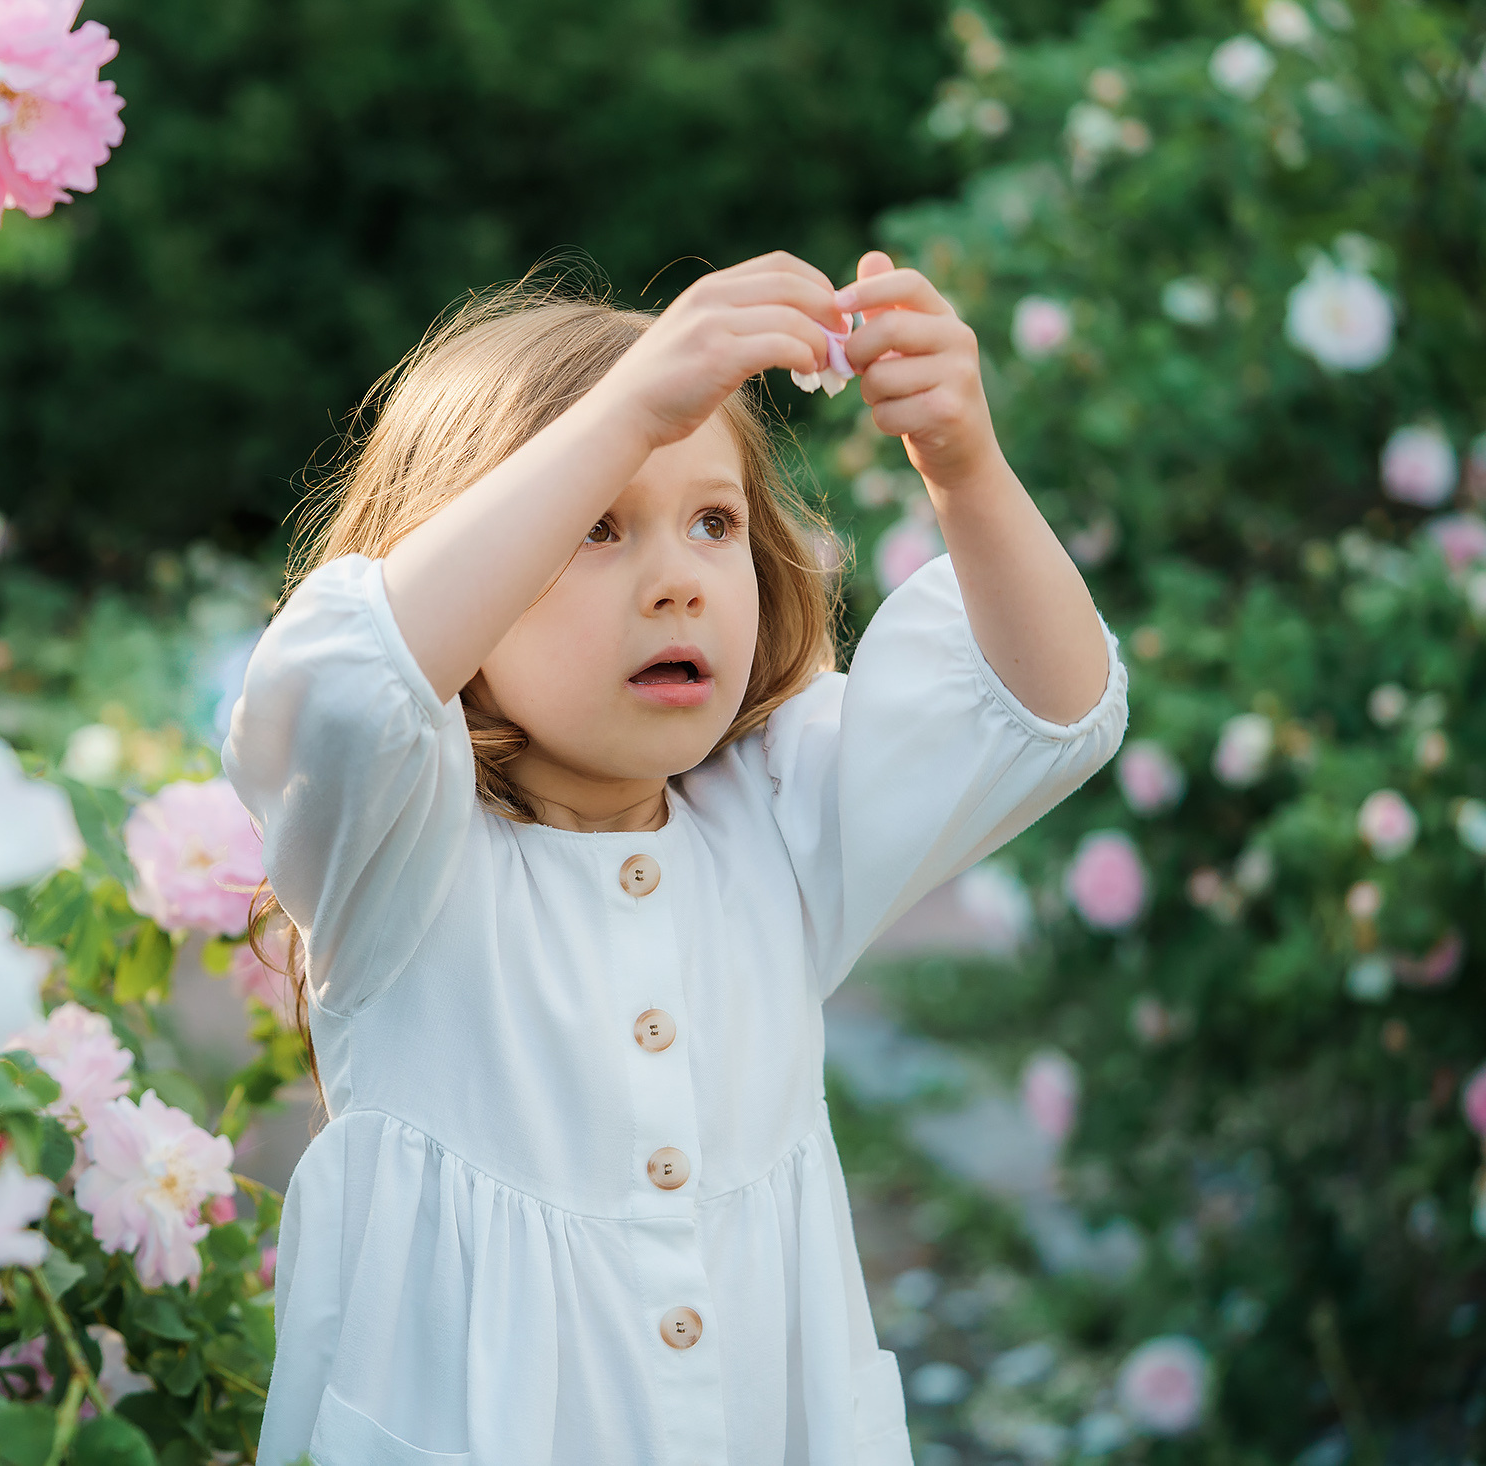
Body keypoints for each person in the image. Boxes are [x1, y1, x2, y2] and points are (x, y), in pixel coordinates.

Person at [223, 250, 1126, 1466]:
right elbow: (342, 682)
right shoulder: (401, 857)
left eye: (714, 522)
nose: (679, 583)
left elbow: (1047, 714)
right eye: (596, 523)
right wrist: (632, 407)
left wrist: (963, 465)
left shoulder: (774, 817)